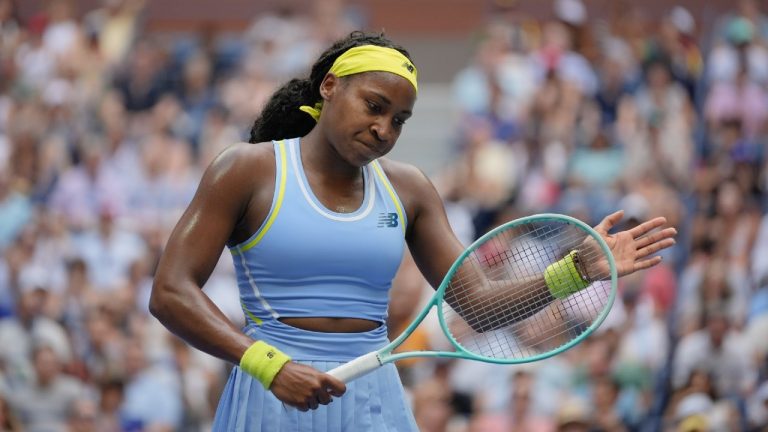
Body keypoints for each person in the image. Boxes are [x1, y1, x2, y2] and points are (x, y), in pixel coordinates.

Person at [149, 31, 677, 431]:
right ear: (330, 86)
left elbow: (480, 304)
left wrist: (574, 271)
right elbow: (170, 291)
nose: (384, 129)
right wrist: (267, 364)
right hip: (270, 391)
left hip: (374, 397)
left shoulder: (410, 189)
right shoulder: (245, 169)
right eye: (374, 107)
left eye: (400, 119)